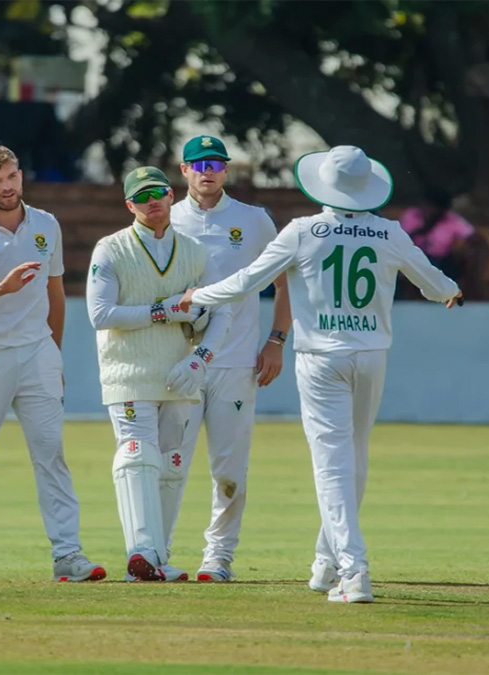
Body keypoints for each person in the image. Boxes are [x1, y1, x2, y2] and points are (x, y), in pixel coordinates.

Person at [178, 146, 462, 603]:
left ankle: (353, 570)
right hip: (371, 355)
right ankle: (327, 562)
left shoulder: (303, 230)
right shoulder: (388, 231)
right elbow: (434, 284)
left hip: (321, 357)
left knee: (331, 463)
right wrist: (451, 290)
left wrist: (199, 296)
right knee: (356, 455)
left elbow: (249, 280)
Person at [0, 145, 104, 583]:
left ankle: (68, 555)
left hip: (37, 354)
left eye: (12, 176)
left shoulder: (46, 224)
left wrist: (54, 355)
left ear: (21, 175)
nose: (7, 187)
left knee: (51, 454)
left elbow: (55, 294)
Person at [87, 166, 232, 582]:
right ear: (129, 205)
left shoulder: (195, 251)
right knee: (138, 454)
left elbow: (221, 311)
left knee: (172, 464)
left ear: (171, 196)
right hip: (128, 371)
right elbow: (100, 314)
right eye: (142, 197)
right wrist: (162, 310)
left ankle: (157, 557)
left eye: (158, 193)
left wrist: (200, 358)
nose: (152, 202)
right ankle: (142, 551)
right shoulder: (111, 248)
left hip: (179, 372)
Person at [169, 135, 292, 582]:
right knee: (169, 464)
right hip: (177, 363)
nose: (208, 172)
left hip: (237, 362)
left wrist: (276, 340)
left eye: (216, 164)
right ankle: (156, 552)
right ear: (184, 170)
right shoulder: (166, 217)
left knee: (229, 469)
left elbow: (284, 284)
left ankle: (218, 557)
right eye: (199, 164)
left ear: (226, 170)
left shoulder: (253, 220)